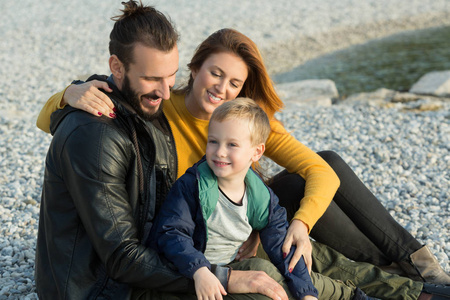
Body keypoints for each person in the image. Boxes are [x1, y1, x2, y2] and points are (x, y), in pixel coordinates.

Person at [35, 17, 450, 300]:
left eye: (235, 82)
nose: (222, 88)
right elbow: (75, 117)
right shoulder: (159, 107)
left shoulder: (239, 120)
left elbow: (322, 171)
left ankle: (414, 273)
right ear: (195, 69)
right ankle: (384, 282)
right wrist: (70, 94)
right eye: (215, 74)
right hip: (191, 225)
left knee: (312, 201)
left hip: (235, 212)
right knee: (273, 268)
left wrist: (298, 225)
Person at [34, 3, 299, 300]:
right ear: (117, 67)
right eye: (152, 79)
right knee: (261, 290)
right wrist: (221, 275)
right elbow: (122, 256)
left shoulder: (145, 106)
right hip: (106, 289)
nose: (165, 92)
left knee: (275, 269)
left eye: (170, 76)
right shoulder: (95, 139)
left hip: (159, 256)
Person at [151, 98, 319, 300]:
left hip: (231, 265)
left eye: (232, 144)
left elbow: (282, 245)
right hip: (186, 274)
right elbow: (171, 233)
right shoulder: (192, 186)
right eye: (213, 141)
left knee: (291, 282)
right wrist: (200, 271)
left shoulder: (260, 196)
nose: (220, 152)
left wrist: (307, 293)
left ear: (256, 152)